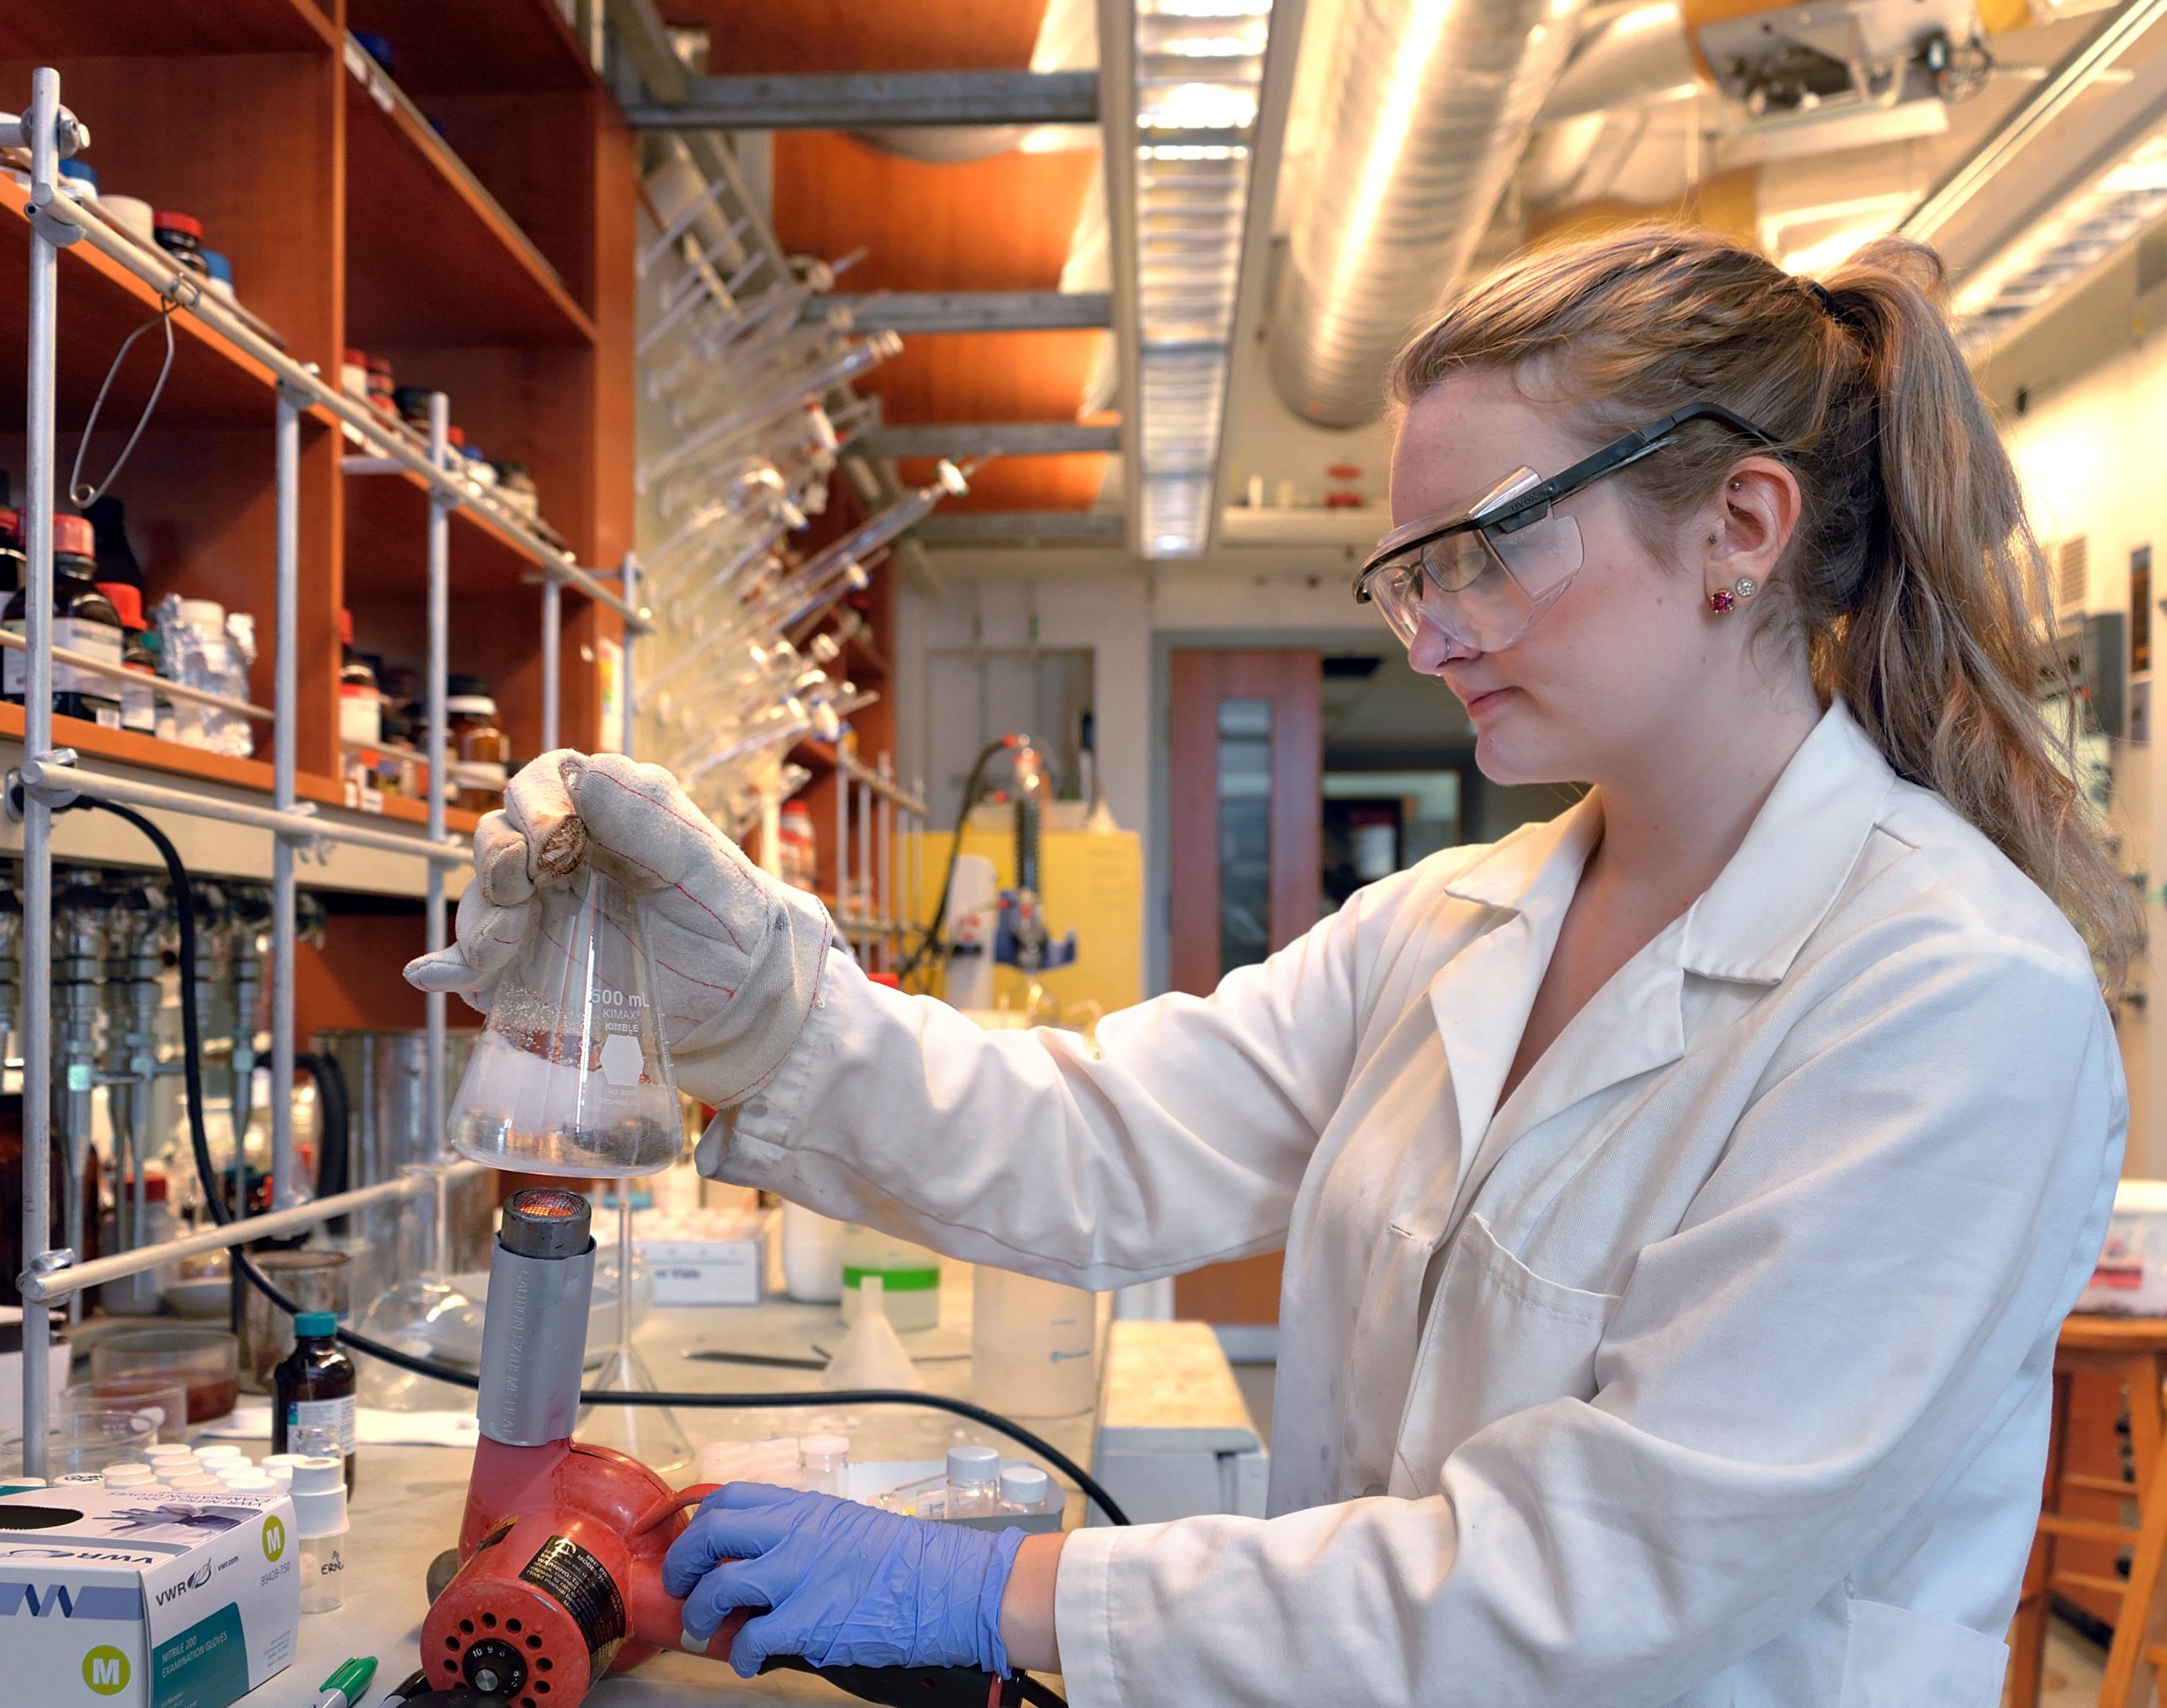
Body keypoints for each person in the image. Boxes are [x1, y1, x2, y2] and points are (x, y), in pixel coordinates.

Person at [411, 228, 2133, 1706]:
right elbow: (1092, 1142)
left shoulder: (1948, 996)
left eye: (1486, 547)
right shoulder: (1457, 918)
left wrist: (1003, 1594)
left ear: (1737, 526)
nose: (1430, 624)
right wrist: (757, 1008)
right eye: (1407, 572)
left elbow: (1599, 1576)